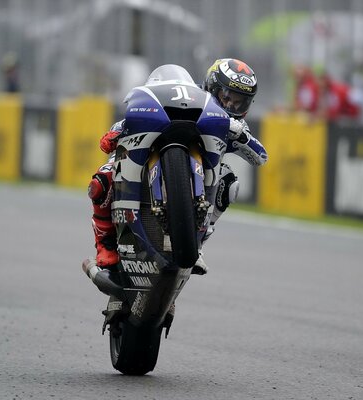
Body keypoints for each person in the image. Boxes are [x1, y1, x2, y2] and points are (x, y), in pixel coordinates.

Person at [87, 58, 267, 278]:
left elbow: (261, 157)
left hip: (201, 175)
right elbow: (140, 116)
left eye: (240, 102)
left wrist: (242, 135)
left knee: (229, 180)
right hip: (151, 152)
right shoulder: (191, 98)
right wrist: (119, 129)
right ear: (211, 86)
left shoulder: (236, 123)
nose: (231, 106)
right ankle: (105, 244)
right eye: (227, 97)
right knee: (102, 179)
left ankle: (198, 239)